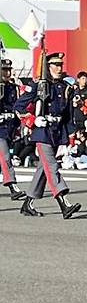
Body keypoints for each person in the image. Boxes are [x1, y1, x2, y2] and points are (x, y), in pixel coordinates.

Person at [15, 52, 82, 219]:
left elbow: (68, 115)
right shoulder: (38, 85)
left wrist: (70, 137)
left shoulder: (64, 87)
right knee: (52, 167)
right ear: (48, 66)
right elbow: (19, 106)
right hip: (41, 132)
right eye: (55, 65)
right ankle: (64, 203)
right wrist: (33, 120)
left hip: (56, 132)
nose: (59, 68)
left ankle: (27, 204)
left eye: (61, 65)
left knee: (43, 170)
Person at [0, 59, 26, 200]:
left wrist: (17, 126)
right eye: (4, 69)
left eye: (9, 70)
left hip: (8, 128)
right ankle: (12, 186)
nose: (7, 73)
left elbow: (17, 107)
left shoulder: (13, 87)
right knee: (5, 157)